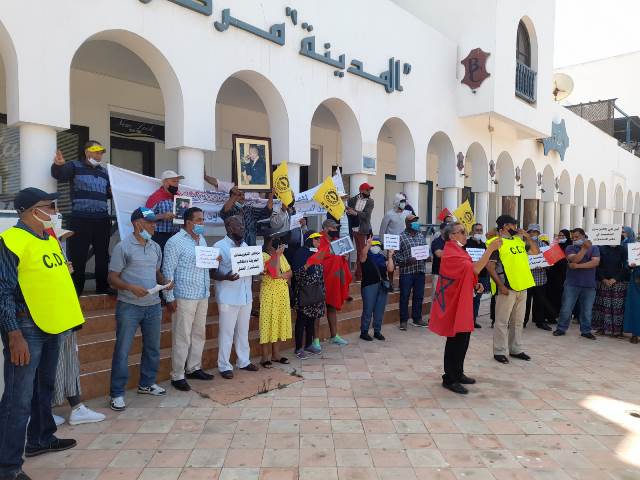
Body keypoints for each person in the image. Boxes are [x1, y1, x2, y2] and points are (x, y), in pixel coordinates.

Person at [0, 188, 85, 480]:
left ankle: (40, 438)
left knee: (43, 387)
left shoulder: (49, 239)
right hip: (26, 327)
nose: (54, 211)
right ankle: (7, 466)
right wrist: (13, 334)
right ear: (29, 211)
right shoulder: (12, 240)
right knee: (18, 397)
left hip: (52, 324)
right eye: (49, 206)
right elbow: (3, 291)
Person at [107, 207, 171, 411]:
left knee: (152, 348)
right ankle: (117, 393)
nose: (154, 226)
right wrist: (130, 287)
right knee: (122, 351)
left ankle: (147, 384)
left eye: (154, 222)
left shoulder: (155, 246)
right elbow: (112, 278)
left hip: (153, 305)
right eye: (149, 222)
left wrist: (164, 282)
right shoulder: (123, 247)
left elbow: (156, 271)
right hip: (129, 306)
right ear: (137, 224)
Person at [429, 222, 502, 394]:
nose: (465, 234)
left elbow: (467, 272)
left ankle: (458, 372)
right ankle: (449, 378)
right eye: (462, 231)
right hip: (454, 302)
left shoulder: (459, 250)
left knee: (463, 338)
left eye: (465, 231)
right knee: (456, 340)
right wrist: (490, 249)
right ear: (451, 236)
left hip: (462, 299)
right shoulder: (451, 252)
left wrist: (475, 284)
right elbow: (475, 268)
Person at [51, 141, 113, 295]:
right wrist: (58, 166)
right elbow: (59, 175)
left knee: (102, 256)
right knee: (78, 256)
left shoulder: (105, 172)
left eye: (101, 152)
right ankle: (76, 291)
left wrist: (112, 191)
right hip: (80, 219)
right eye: (96, 151)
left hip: (102, 219)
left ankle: (102, 288)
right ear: (87, 152)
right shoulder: (74, 166)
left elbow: (108, 193)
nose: (99, 155)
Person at [163, 207, 214, 391]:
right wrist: (169, 298)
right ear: (188, 222)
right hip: (184, 296)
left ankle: (193, 367)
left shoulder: (202, 239)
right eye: (199, 220)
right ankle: (177, 375)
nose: (202, 223)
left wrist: (214, 260)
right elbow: (167, 271)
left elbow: (205, 265)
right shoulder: (174, 242)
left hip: (202, 294)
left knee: (199, 334)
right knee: (182, 336)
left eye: (203, 219)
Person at [485, 215, 538, 364]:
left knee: (518, 321)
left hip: (522, 285)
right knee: (502, 322)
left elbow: (535, 252)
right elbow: (490, 267)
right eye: (512, 225)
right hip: (506, 288)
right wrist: (501, 286)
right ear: (504, 227)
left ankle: (516, 349)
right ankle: (499, 351)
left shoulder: (519, 241)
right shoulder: (495, 243)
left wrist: (527, 237)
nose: (515, 227)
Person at [213, 216, 260, 379]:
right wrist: (225, 276)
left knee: (243, 332)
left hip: (245, 297)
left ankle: (243, 361)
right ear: (229, 228)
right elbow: (212, 272)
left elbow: (249, 269)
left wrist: (257, 268)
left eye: (242, 225)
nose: (242, 228)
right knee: (226, 333)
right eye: (238, 225)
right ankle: (224, 365)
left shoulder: (246, 246)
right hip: (228, 297)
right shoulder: (219, 246)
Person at [311, 219, 352, 350]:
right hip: (321, 279)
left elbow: (340, 257)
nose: (336, 230)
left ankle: (334, 336)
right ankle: (315, 340)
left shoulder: (337, 240)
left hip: (334, 279)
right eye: (333, 228)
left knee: (332, 307)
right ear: (326, 228)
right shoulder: (318, 238)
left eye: (336, 228)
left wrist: (345, 257)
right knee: (318, 310)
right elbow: (317, 257)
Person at [553, 228, 600, 340]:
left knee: (587, 310)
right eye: (572, 237)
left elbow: (595, 262)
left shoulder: (594, 248)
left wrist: (578, 266)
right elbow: (574, 259)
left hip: (589, 284)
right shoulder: (570, 248)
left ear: (584, 236)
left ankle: (586, 331)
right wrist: (584, 249)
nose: (574, 239)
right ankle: (561, 328)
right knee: (566, 308)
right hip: (572, 283)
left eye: (577, 237)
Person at [259, 234, 293, 367]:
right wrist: (277, 256)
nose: (277, 244)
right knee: (267, 323)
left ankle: (276, 354)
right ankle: (264, 357)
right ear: (268, 243)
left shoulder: (281, 255)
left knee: (278, 322)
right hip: (269, 294)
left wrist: (282, 275)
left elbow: (290, 272)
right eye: (274, 241)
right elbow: (273, 273)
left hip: (282, 294)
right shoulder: (263, 256)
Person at [292, 232, 326, 359]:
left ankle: (308, 344)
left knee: (312, 319)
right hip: (304, 292)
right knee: (301, 320)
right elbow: (297, 275)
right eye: (317, 239)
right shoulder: (301, 253)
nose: (319, 242)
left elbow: (320, 271)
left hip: (316, 292)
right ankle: (298, 348)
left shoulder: (316, 252)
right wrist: (308, 265)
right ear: (310, 240)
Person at [394, 215, 429, 330]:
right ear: (407, 223)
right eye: (413, 221)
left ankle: (417, 318)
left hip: (420, 270)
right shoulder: (400, 237)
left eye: (416, 221)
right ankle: (403, 320)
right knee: (404, 296)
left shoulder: (420, 235)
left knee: (419, 296)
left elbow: (425, 250)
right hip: (407, 272)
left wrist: (427, 256)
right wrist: (406, 260)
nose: (416, 223)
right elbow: (396, 255)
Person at [592, 236, 629, 337]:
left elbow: (626, 266)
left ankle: (617, 331)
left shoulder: (623, 249)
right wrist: (603, 279)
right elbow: (598, 266)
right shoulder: (601, 249)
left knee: (618, 307)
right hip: (603, 282)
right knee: (603, 306)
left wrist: (615, 279)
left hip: (619, 283)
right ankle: (602, 328)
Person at [359, 237, 394, 341]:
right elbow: (362, 257)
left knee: (379, 310)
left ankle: (377, 331)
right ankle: (364, 332)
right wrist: (368, 245)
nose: (375, 247)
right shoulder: (366, 255)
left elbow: (390, 269)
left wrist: (390, 256)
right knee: (368, 309)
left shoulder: (382, 257)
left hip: (382, 286)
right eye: (373, 245)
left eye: (377, 245)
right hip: (369, 285)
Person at [523, 224, 555, 331]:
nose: (532, 234)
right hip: (526, 278)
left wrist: (544, 264)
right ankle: (523, 321)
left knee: (540, 301)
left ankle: (540, 322)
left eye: (535, 232)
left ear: (538, 233)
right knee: (525, 302)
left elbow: (550, 263)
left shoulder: (544, 246)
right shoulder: (523, 245)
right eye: (530, 232)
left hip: (540, 278)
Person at [145, 170, 184, 250]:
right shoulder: (155, 197)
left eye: (177, 181)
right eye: (174, 181)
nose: (176, 184)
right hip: (159, 236)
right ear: (165, 182)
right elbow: (145, 216)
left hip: (176, 236)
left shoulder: (180, 197)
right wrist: (163, 216)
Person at [379, 193, 410, 288]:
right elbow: (382, 229)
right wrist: (382, 242)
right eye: (401, 202)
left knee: (403, 263)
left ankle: (402, 282)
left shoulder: (408, 213)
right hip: (391, 243)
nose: (403, 204)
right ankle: (391, 282)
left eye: (404, 202)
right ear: (397, 202)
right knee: (391, 264)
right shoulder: (389, 214)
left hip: (404, 242)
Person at [347, 183, 375, 281]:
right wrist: (349, 210)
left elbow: (367, 216)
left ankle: (359, 275)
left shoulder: (370, 201)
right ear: (361, 190)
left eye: (370, 190)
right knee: (347, 251)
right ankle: (347, 275)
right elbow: (347, 210)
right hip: (350, 229)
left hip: (362, 229)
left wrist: (355, 212)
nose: (369, 192)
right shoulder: (352, 199)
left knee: (361, 252)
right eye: (367, 190)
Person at [465, 223, 490, 328]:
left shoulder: (484, 245)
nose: (479, 232)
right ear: (472, 231)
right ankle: (465, 320)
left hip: (482, 275)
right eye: (477, 230)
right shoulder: (466, 243)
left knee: (477, 299)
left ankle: (473, 320)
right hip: (469, 275)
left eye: (480, 230)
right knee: (468, 299)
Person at [546, 229, 572, 323]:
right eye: (559, 235)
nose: (560, 237)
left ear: (567, 236)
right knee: (552, 295)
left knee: (563, 296)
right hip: (553, 274)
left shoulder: (570, 246)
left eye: (563, 236)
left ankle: (562, 315)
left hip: (564, 275)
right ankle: (552, 315)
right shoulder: (555, 246)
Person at [624, 258, 640, 344]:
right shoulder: (634, 249)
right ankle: (635, 334)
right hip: (636, 279)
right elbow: (626, 264)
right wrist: (630, 265)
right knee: (635, 306)